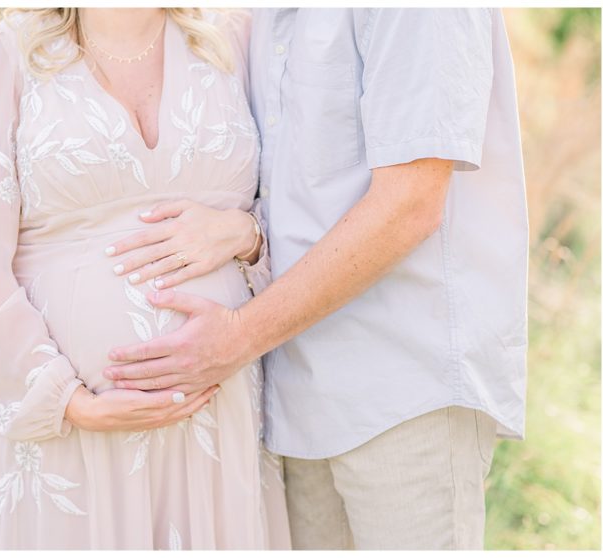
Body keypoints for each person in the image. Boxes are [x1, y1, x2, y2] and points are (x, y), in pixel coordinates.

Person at [103, 8, 527, 550]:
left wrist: (236, 336)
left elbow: (410, 204)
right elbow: (291, 183)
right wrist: (243, 230)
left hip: (401, 390)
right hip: (289, 394)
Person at [0, 8, 289, 549]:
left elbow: (299, 204)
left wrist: (245, 233)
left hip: (220, 415)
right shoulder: (6, 53)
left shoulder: (232, 38)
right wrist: (68, 401)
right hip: (77, 433)